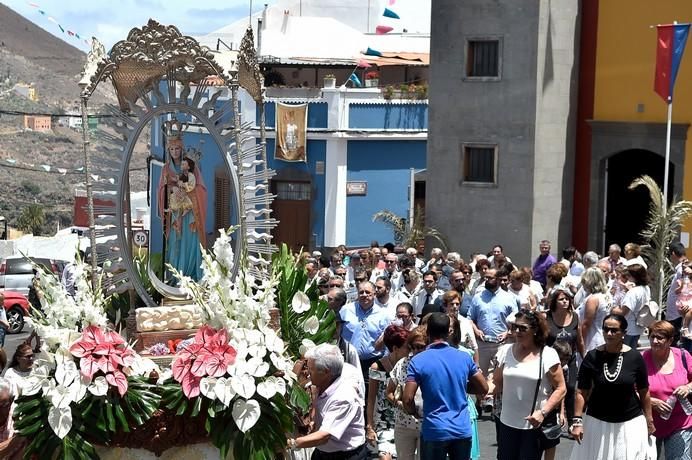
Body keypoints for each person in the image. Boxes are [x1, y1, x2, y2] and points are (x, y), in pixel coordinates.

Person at [569, 314, 656, 460]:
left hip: (630, 423)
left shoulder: (635, 358)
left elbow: (644, 391)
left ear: (624, 333)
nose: (609, 333)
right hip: (597, 422)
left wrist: (649, 419)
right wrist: (577, 421)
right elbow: (581, 392)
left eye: (614, 330)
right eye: (606, 329)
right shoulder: (592, 357)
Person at [403, 313, 488, 460]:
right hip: (461, 429)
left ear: (427, 332)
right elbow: (483, 388)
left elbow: (407, 398)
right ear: (449, 332)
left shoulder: (418, 361)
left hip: (434, 430)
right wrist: (462, 387)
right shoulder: (464, 357)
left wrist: (413, 412)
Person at [492, 309, 566, 460]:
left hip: (532, 426)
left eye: (523, 328)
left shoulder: (548, 354)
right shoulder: (505, 351)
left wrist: (543, 412)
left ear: (535, 330)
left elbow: (561, 388)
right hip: (506, 423)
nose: (517, 331)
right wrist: (480, 388)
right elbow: (496, 383)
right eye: (515, 327)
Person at [288, 344, 367, 459]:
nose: (307, 373)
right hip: (322, 452)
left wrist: (291, 443)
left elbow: (324, 436)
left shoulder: (343, 397)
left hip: (344, 456)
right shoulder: (326, 378)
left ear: (326, 372)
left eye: (311, 369)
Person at [158, 129, 208, 282]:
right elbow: (160, 189)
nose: (174, 152)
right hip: (174, 213)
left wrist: (188, 192)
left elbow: (201, 188)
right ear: (168, 150)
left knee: (190, 243)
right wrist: (171, 189)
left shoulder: (191, 166)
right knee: (175, 243)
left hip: (190, 213)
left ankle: (192, 276)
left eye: (177, 148)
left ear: (182, 148)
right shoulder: (166, 169)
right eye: (171, 149)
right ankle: (175, 278)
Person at [642, 320, 692, 460]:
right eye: (652, 337)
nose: (655, 341)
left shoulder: (683, 356)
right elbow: (629, 390)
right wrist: (650, 402)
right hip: (649, 424)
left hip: (680, 423)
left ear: (670, 340)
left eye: (660, 338)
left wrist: (687, 387)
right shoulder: (640, 359)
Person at [366, 326, 410, 460]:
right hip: (384, 422)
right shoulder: (377, 367)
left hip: (405, 420)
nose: (410, 351)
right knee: (385, 457)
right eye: (406, 348)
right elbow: (371, 398)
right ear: (395, 349)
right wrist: (369, 426)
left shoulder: (410, 366)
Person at [340, 282, 392, 391]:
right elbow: (337, 333)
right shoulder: (345, 310)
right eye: (361, 292)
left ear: (374, 294)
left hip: (374, 362)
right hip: (349, 361)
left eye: (367, 292)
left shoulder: (383, 315)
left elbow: (387, 342)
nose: (364, 295)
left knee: (374, 393)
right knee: (349, 391)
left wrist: (384, 364)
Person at [545, 287, 584, 425]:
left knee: (571, 387)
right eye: (561, 299)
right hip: (551, 360)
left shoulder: (575, 317)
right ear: (555, 302)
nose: (565, 302)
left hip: (570, 358)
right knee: (552, 387)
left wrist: (583, 357)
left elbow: (579, 339)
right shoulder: (547, 317)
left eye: (567, 299)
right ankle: (552, 416)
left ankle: (572, 420)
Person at [386, 326, 426, 460]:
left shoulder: (433, 364)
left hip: (427, 424)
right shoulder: (402, 364)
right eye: (412, 347)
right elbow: (389, 392)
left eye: (420, 347)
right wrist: (399, 403)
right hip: (404, 424)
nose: (416, 351)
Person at [613, 264, 650, 348]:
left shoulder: (633, 292)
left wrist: (612, 308)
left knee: (624, 353)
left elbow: (623, 312)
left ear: (634, 276)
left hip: (629, 328)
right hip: (638, 327)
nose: (627, 277)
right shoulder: (646, 288)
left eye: (629, 275)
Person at [577, 267, 612, 353]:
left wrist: (580, 343)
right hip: (602, 335)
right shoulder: (607, 295)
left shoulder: (593, 299)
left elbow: (586, 324)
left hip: (591, 339)